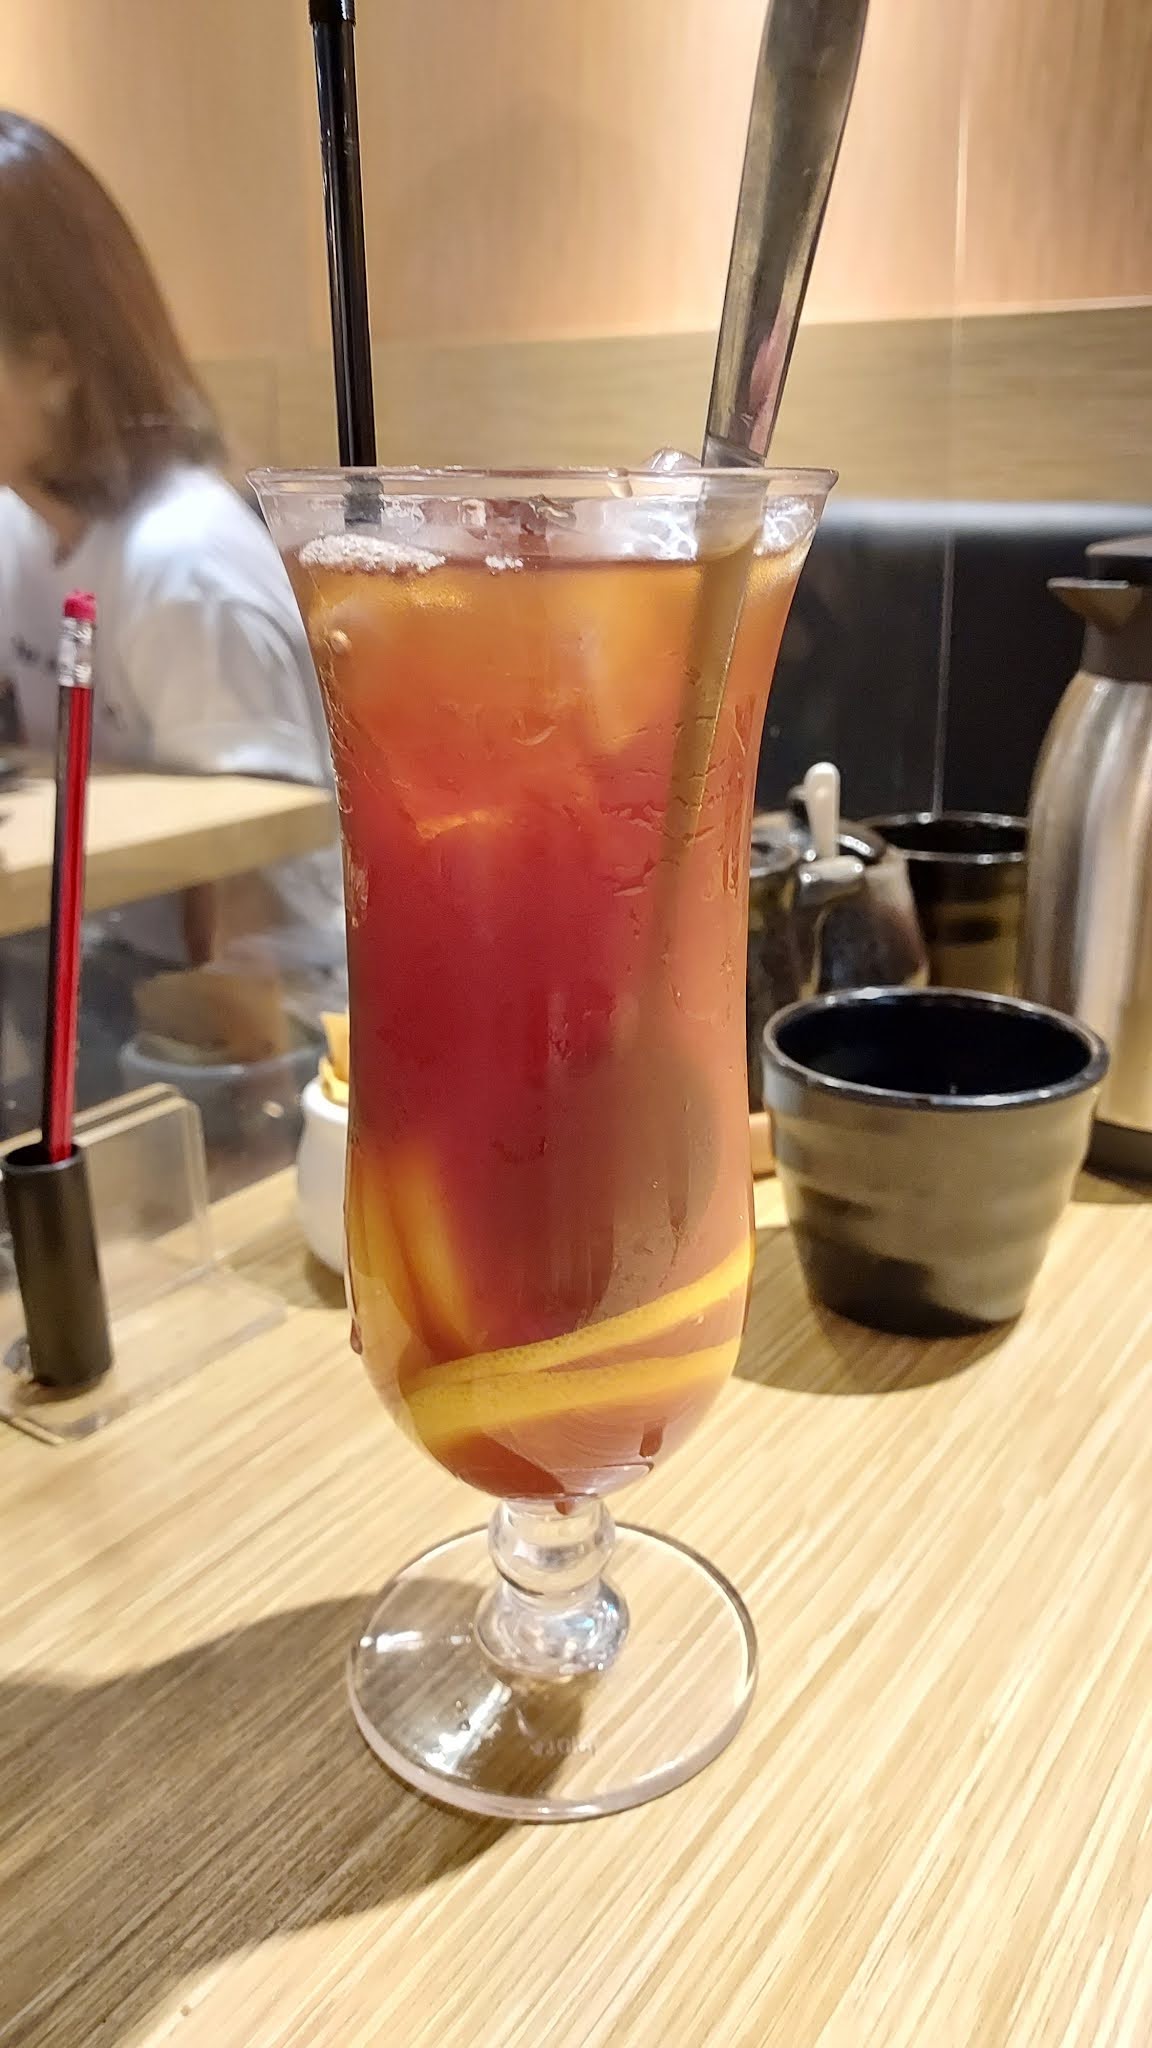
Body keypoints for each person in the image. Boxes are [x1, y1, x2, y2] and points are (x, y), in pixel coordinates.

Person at [0, 111, 344, 1123]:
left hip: (266, 1028)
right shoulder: (21, 528)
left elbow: (248, 896)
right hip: (110, 975)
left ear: (55, 364)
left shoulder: (182, 567)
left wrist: (233, 1117)